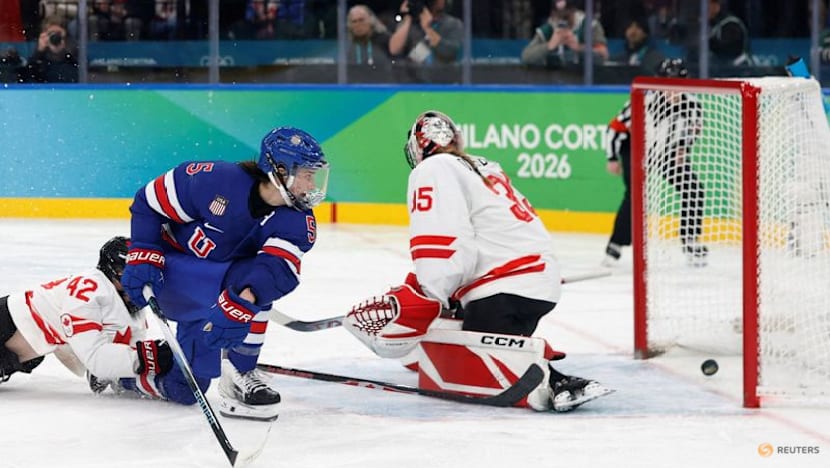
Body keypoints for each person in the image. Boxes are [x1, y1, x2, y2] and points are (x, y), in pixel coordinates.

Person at [343, 110, 611, 412]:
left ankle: (553, 380)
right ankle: (536, 364)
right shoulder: (482, 167)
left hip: (501, 290)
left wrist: (430, 293)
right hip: (535, 283)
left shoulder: (434, 168)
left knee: (463, 363)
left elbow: (445, 243)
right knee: (452, 341)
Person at [108, 127, 329, 421]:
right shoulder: (214, 180)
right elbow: (148, 202)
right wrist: (144, 250)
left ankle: (127, 374)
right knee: (250, 289)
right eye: (307, 174)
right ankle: (240, 373)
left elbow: (277, 269)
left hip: (211, 294)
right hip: (169, 277)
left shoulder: (297, 222)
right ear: (279, 170)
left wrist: (242, 302)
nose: (312, 184)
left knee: (186, 387)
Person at [1, 237, 173, 392]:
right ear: (110, 270)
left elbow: (119, 358)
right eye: (125, 274)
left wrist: (148, 359)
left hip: (16, 350)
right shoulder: (90, 291)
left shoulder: (129, 304)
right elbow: (96, 359)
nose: (133, 283)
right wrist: (145, 358)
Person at [603, 58, 706, 267]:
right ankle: (616, 244)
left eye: (679, 82)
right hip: (637, 149)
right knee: (635, 194)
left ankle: (691, 240)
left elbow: (693, 131)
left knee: (693, 188)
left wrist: (683, 148)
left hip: (666, 152)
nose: (674, 89)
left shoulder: (693, 105)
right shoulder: (643, 101)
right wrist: (612, 157)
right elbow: (615, 127)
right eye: (670, 82)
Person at [520, 0, 608, 68]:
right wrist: (549, 46)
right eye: (559, 16)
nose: (562, 20)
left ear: (573, 11)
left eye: (566, 16)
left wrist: (578, 47)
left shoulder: (589, 25)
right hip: (553, 81)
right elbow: (525, 57)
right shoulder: (548, 29)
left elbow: (603, 56)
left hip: (582, 80)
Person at [388, 0, 463, 66]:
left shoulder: (453, 24)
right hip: (414, 78)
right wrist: (408, 16)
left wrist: (427, 28)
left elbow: (449, 52)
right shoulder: (411, 24)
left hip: (442, 77)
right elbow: (394, 49)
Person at [22, 15, 78, 83]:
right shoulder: (40, 52)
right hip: (44, 88)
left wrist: (65, 52)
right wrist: (39, 51)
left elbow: (82, 70)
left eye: (58, 34)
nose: (55, 37)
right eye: (51, 34)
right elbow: (27, 75)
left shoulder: (72, 47)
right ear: (44, 35)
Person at [707, 0, 752, 67]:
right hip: (719, 71)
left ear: (716, 5)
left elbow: (729, 51)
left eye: (708, 6)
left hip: (740, 70)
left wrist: (707, 42)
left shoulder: (731, 24)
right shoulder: (708, 24)